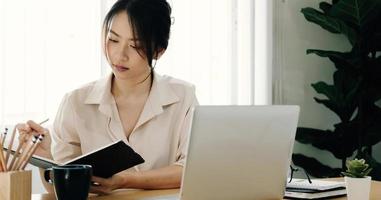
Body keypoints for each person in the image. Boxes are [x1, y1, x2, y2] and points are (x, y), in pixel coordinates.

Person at [17, 0, 198, 194]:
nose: (120, 55)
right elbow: (61, 189)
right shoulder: (76, 102)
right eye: (113, 40)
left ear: (158, 51)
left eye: (135, 45)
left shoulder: (183, 96)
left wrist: (124, 180)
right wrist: (46, 155)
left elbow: (191, 169)